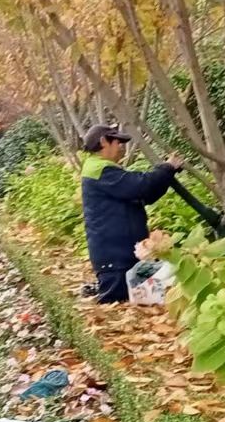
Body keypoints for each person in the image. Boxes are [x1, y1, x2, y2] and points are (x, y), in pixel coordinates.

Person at [78, 124, 183, 303]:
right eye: (118, 142)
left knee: (149, 297)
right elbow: (139, 186)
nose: (121, 147)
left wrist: (168, 172)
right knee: (119, 304)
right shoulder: (100, 170)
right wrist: (167, 168)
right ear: (103, 142)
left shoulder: (102, 168)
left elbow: (145, 194)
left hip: (123, 257)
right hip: (116, 259)